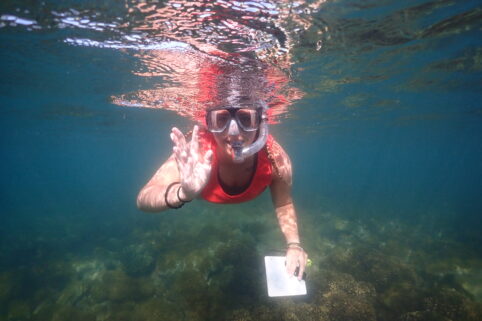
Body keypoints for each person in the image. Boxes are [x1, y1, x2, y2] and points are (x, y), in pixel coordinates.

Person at [136, 69, 308, 280]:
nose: (234, 132)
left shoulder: (275, 159)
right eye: (221, 120)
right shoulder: (195, 154)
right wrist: (182, 193)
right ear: (209, 123)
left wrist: (294, 244)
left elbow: (284, 204)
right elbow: (144, 198)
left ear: (261, 123)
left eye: (246, 119)